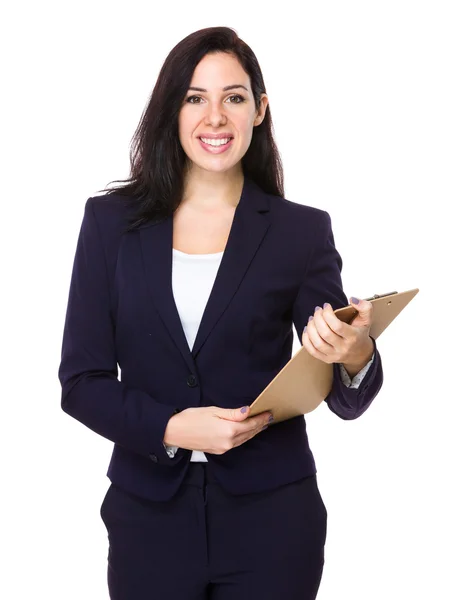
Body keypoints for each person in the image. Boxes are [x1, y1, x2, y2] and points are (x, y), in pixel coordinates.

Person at [58, 26, 383, 600]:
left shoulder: (300, 232)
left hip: (274, 522)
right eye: (194, 98)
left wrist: (354, 352)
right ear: (171, 109)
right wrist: (173, 428)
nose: (215, 117)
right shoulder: (110, 224)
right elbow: (80, 383)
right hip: (147, 521)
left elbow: (340, 393)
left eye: (233, 97)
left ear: (259, 110)